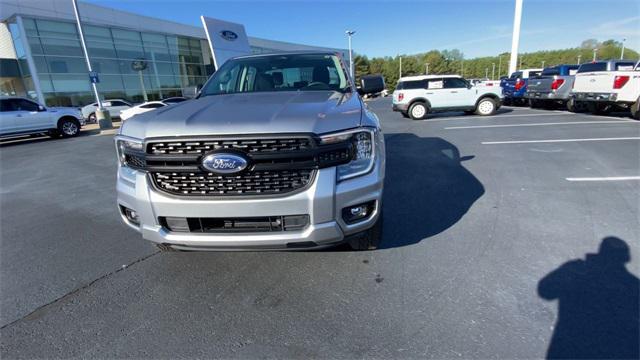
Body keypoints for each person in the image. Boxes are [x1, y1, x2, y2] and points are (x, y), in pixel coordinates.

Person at [538, 236, 639, 359]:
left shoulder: (576, 271)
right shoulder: (632, 286)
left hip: (569, 351)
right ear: (625, 257)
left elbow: (545, 290)